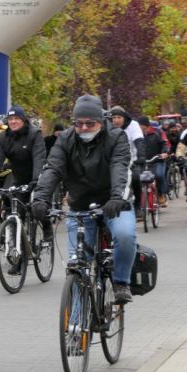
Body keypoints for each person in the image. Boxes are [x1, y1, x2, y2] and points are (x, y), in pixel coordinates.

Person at [31, 94, 136, 305]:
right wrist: (41, 198)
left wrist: (117, 197)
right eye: (78, 123)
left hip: (114, 203)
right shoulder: (65, 139)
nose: (84, 128)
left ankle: (121, 282)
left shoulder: (116, 137)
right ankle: (76, 322)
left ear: (101, 120)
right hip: (80, 205)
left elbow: (120, 168)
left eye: (90, 123)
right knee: (77, 266)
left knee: (125, 235)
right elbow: (53, 168)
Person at [0, 105, 52, 239]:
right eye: (10, 119)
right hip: (19, 178)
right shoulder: (4, 137)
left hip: (36, 177)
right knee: (17, 210)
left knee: (38, 207)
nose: (13, 121)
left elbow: (39, 158)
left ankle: (46, 226)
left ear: (23, 120)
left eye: (16, 118)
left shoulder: (34, 134)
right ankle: (18, 244)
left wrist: (36, 180)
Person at [109, 106, 146, 217]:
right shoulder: (108, 126)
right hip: (114, 160)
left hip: (133, 159)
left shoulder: (133, 125)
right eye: (114, 117)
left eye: (119, 117)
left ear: (124, 117)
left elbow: (139, 142)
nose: (116, 120)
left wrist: (141, 156)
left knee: (135, 178)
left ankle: (138, 205)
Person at [138, 116, 170, 207]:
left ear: (148, 126)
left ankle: (160, 194)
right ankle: (139, 201)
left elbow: (164, 144)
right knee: (137, 178)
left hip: (157, 160)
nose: (142, 131)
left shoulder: (158, 132)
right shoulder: (137, 134)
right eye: (140, 129)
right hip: (142, 161)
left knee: (159, 175)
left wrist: (164, 153)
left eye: (144, 128)